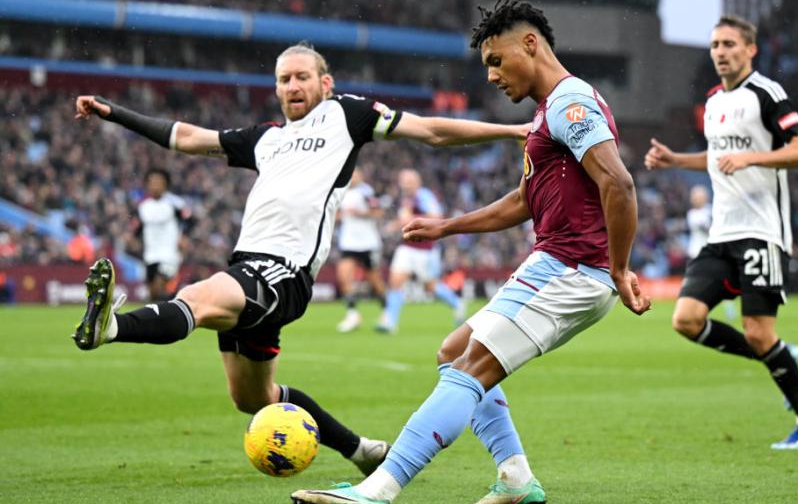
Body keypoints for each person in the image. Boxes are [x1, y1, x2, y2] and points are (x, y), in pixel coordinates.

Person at [71, 42, 528, 475]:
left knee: (197, 296)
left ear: (324, 83)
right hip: (249, 269)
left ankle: (111, 328)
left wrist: (509, 131)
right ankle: (360, 450)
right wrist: (116, 114)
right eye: (284, 79)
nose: (293, 86)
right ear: (275, 88)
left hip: (284, 271)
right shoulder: (264, 140)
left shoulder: (346, 115)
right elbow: (188, 137)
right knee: (254, 399)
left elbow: (430, 130)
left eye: (302, 77)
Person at [290, 0, 650, 504]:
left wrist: (618, 269)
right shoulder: (550, 113)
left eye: (496, 61)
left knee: (469, 368)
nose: (491, 76)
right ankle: (516, 478)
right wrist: (447, 225)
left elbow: (618, 182)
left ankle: (377, 490)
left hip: (572, 270)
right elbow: (525, 200)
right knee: (452, 350)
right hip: (557, 265)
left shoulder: (571, 103)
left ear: (531, 44)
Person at [644, 15, 798, 450]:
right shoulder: (712, 102)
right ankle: (783, 357)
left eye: (729, 44)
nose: (720, 52)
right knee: (686, 320)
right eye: (714, 45)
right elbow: (718, 157)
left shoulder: (767, 93)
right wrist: (675, 160)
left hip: (761, 232)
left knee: (760, 331)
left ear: (750, 50)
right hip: (721, 233)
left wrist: (752, 159)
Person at [375, 168, 465, 333]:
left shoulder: (424, 196)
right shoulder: (406, 199)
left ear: (417, 182)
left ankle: (457, 303)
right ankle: (389, 322)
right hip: (407, 248)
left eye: (409, 181)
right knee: (395, 283)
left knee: (430, 288)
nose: (405, 184)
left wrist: (409, 219)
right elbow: (407, 220)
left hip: (425, 251)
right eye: (403, 181)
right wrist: (395, 225)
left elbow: (437, 217)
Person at [335, 167, 387, 332]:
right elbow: (339, 214)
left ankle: (387, 314)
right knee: (344, 277)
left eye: (355, 174)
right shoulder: (341, 192)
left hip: (368, 243)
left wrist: (360, 213)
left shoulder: (366, 192)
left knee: (375, 282)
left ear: (360, 176)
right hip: (348, 243)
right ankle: (352, 315)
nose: (353, 177)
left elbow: (378, 213)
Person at [136, 168, 191, 301]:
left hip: (169, 254)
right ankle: (156, 317)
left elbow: (189, 221)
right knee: (152, 293)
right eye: (152, 182)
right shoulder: (143, 206)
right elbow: (140, 228)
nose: (155, 185)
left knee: (159, 285)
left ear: (166, 184)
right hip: (150, 254)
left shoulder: (175, 204)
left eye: (158, 182)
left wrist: (184, 237)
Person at [686, 185, 737, 321]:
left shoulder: (712, 210)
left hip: (712, 252)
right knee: (696, 282)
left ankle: (727, 306)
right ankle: (695, 307)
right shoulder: (692, 214)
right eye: (695, 197)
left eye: (698, 196)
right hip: (696, 253)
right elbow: (706, 228)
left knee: (721, 279)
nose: (696, 199)